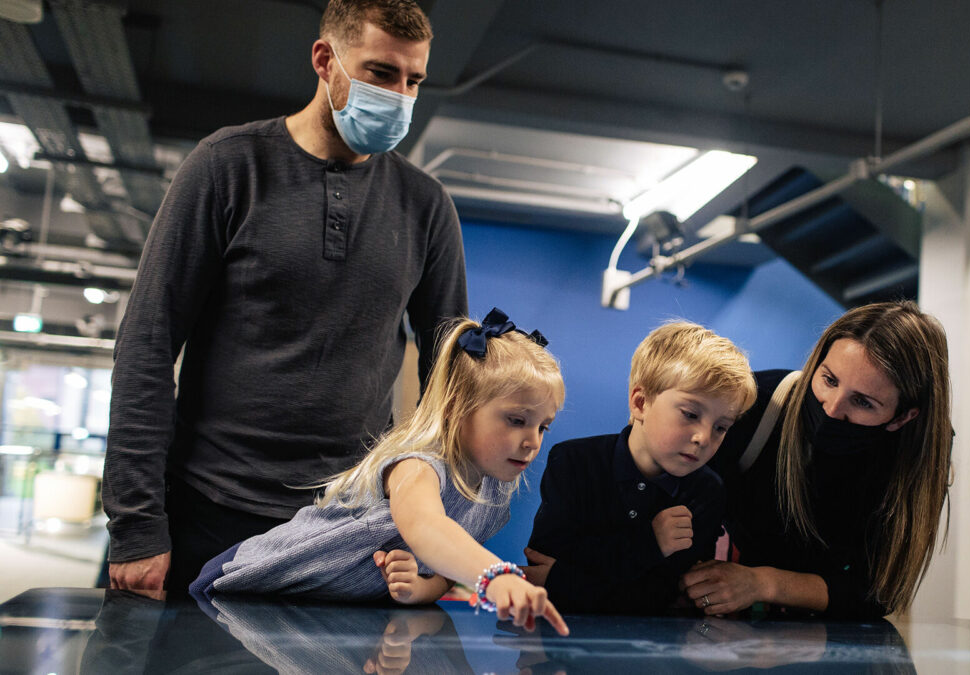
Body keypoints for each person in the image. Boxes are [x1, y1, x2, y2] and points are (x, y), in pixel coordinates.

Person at [102, 0, 469, 593]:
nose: (401, 94)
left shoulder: (426, 206)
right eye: (380, 73)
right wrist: (137, 526)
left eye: (414, 80)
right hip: (205, 513)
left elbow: (449, 379)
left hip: (345, 524)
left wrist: (432, 523)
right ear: (326, 61)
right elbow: (146, 345)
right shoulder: (227, 166)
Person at [190, 309, 569, 636]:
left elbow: (441, 569)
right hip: (245, 585)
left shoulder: (492, 497)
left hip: (310, 619)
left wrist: (418, 588)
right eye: (516, 420)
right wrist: (496, 577)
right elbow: (427, 529)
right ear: (457, 407)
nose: (531, 440)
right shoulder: (419, 467)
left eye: (542, 427)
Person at [682, 301, 952, 619]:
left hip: (826, 636)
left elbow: (879, 591)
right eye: (830, 380)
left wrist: (762, 583)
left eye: (863, 402)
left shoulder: (916, 453)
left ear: (903, 417)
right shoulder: (757, 403)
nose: (832, 409)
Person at [524, 322, 756, 614]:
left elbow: (668, 599)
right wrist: (651, 543)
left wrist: (569, 581)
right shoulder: (573, 461)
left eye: (721, 427)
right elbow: (540, 569)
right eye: (690, 414)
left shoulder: (706, 491)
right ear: (641, 402)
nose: (704, 438)